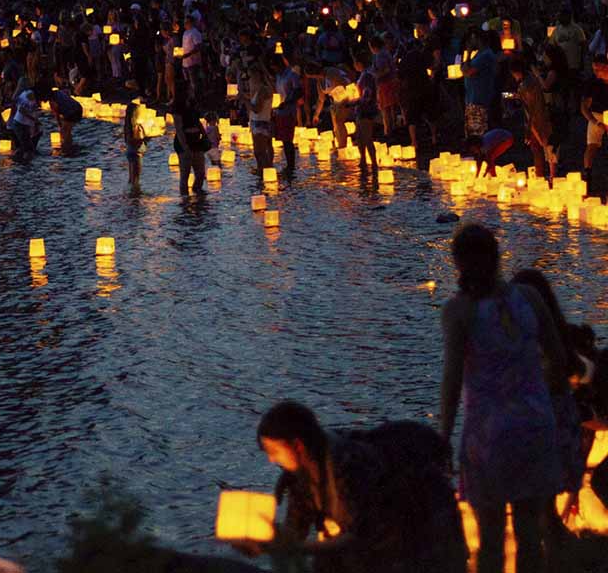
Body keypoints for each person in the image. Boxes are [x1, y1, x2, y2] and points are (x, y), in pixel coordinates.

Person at [440, 224, 566, 573]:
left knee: (491, 539)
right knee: (529, 533)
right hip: (534, 425)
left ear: (459, 264)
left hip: (489, 435)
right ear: (497, 256)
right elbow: (557, 358)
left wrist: (444, 435)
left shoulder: (460, 311)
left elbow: (452, 381)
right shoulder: (529, 298)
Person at [237, 401, 466, 573]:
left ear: (297, 445)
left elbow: (359, 535)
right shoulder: (302, 474)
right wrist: (265, 543)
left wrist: (298, 549)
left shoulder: (348, 465)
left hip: (420, 526)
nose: (271, 460)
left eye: (273, 451)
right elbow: (295, 531)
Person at [510, 269, 586, 554]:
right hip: (561, 429)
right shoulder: (560, 338)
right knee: (544, 512)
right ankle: (559, 556)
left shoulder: (534, 344)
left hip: (545, 430)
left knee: (540, 513)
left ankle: (558, 557)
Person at [509, 56, 556, 180]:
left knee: (542, 149)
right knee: (544, 149)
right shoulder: (530, 80)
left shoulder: (526, 86)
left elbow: (531, 109)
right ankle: (546, 175)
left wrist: (529, 130)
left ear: (516, 72)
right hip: (539, 118)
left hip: (538, 120)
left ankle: (545, 177)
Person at [172, 80, 208, 196]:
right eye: (190, 88)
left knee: (200, 173)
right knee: (185, 174)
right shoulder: (177, 106)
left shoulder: (193, 103)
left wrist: (205, 135)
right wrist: (185, 147)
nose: (193, 89)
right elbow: (179, 128)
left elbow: (197, 121)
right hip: (185, 141)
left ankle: (197, 194)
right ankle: (185, 201)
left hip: (196, 140)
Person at [462, 31, 499, 137]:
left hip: (479, 99)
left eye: (472, 39)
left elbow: (467, 71)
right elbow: (464, 69)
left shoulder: (485, 56)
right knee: (472, 134)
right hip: (472, 99)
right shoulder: (479, 54)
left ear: (478, 40)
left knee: (478, 134)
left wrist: (468, 54)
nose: (470, 42)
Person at [272, 45, 301, 176]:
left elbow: (298, 91)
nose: (273, 69)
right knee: (284, 140)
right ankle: (289, 166)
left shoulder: (292, 74)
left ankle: (291, 166)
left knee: (288, 140)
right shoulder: (278, 76)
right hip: (279, 111)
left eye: (274, 66)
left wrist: (287, 102)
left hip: (288, 111)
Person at [580, 55, 608, 186]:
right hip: (597, 115)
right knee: (592, 144)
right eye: (594, 69)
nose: (596, 73)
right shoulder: (592, 83)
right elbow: (584, 107)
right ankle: (587, 173)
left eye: (599, 70)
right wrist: (596, 122)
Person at [350, 51, 378, 172]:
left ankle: (374, 163)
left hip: (366, 110)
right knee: (360, 137)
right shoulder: (364, 75)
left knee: (367, 138)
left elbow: (367, 96)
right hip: (360, 110)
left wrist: (353, 102)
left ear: (359, 63)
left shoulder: (366, 76)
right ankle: (363, 160)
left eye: (355, 63)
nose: (354, 65)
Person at [246, 62, 275, 172]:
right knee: (260, 151)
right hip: (256, 122)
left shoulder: (263, 90)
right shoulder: (258, 90)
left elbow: (257, 109)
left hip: (261, 123)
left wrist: (245, 101)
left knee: (260, 152)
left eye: (251, 76)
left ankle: (264, 172)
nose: (250, 79)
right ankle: (263, 171)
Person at [10, 78, 40, 161]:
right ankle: (26, 165)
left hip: (20, 123)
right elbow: (23, 111)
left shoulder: (22, 95)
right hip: (20, 124)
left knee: (24, 147)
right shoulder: (28, 94)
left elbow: (31, 109)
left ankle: (20, 163)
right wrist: (34, 120)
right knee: (27, 149)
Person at [48, 87, 83, 153]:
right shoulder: (58, 92)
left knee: (65, 130)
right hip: (78, 108)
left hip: (72, 111)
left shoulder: (52, 101)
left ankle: (66, 148)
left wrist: (59, 126)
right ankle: (69, 145)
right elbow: (67, 93)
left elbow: (56, 113)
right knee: (67, 130)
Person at [123, 102, 146, 195]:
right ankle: (135, 196)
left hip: (132, 152)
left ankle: (132, 196)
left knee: (132, 178)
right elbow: (130, 140)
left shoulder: (131, 125)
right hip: (135, 153)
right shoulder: (131, 126)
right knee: (135, 179)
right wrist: (143, 139)